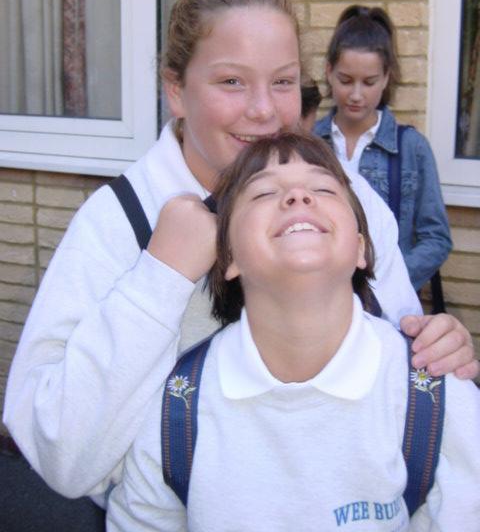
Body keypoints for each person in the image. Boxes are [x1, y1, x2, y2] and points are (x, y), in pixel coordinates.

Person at [3, 0, 477, 503]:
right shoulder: (119, 220)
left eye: (283, 82)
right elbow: (58, 455)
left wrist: (435, 347)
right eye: (232, 81)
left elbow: (402, 367)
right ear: (176, 91)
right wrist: (160, 276)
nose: (265, 110)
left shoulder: (351, 202)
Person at [106, 133, 480, 531]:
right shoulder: (177, 409)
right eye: (264, 193)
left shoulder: (434, 391)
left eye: (323, 189)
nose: (298, 196)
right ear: (228, 255)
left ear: (361, 248)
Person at [314, 5, 452, 293]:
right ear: (329, 71)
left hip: (387, 306)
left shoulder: (411, 148)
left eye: (369, 82)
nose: (356, 94)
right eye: (345, 80)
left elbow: (436, 238)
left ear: (386, 77)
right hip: (318, 296)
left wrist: (388, 283)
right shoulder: (310, 143)